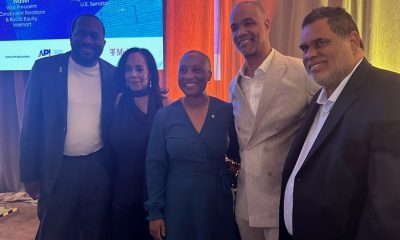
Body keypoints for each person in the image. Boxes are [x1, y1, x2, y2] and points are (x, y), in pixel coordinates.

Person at [280, 6, 400, 240]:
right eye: (305, 48)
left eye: (320, 43)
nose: (309, 55)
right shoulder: (320, 96)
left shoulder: (391, 92)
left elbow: (387, 210)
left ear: (353, 42)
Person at [229, 2, 320, 239]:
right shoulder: (233, 85)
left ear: (266, 25)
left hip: (284, 203)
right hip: (246, 206)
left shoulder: (301, 72)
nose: (240, 32)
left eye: (248, 23)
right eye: (234, 27)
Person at [20, 14, 115, 240]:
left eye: (94, 36)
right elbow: (31, 124)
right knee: (53, 230)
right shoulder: (45, 69)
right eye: (81, 34)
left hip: (98, 167)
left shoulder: (112, 74)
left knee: (95, 230)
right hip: (58, 168)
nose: (88, 40)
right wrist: (29, 175)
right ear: (70, 37)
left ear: (104, 42)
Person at [145, 50, 240, 240]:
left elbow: (240, 153)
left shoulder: (226, 111)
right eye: (183, 70)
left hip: (217, 201)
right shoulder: (164, 116)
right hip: (179, 202)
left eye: (197, 70)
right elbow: (155, 165)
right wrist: (155, 212)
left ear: (209, 75)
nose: (189, 76)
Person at [110, 47, 168, 240]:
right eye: (127, 69)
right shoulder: (117, 101)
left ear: (150, 71)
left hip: (155, 192)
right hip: (123, 191)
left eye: (139, 69)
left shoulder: (164, 103)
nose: (133, 74)